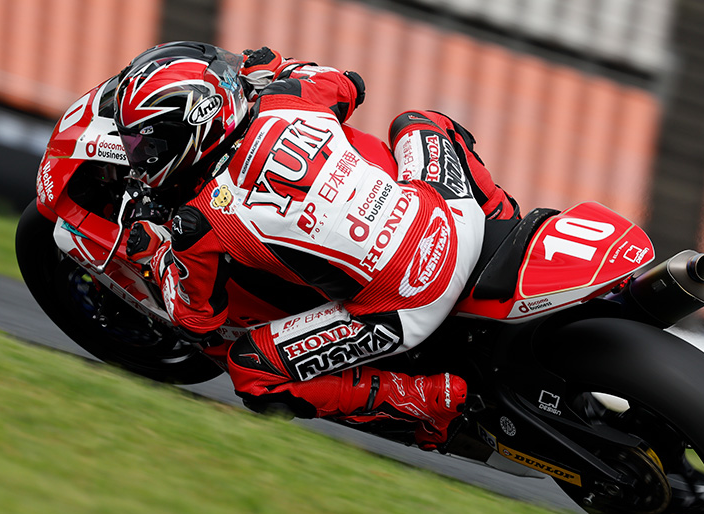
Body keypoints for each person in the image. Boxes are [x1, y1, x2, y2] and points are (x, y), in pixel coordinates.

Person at [116, 41, 519, 449]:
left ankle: (424, 399)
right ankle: (502, 215)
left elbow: (195, 319)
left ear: (190, 133)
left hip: (406, 306)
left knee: (251, 371)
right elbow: (350, 85)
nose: (140, 157)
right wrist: (281, 68)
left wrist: (155, 252)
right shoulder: (283, 100)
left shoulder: (198, 220)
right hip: (452, 220)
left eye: (148, 146)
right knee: (420, 121)